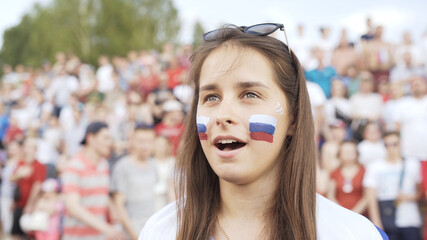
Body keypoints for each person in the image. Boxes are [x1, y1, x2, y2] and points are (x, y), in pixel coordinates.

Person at [140, 23, 386, 239]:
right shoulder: (161, 231)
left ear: (293, 118)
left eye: (249, 94)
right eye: (211, 97)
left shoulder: (354, 234)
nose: (222, 115)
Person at [61, 121, 125, 240]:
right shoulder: (74, 166)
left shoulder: (103, 164)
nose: (110, 143)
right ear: (91, 139)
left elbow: (101, 193)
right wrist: (106, 228)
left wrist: (112, 209)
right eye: (105, 138)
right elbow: (73, 207)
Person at [364, 132, 422, 240]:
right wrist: (377, 223)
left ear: (400, 144)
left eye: (394, 144)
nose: (391, 148)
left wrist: (409, 197)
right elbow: (370, 198)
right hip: (386, 218)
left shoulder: (413, 164)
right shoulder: (375, 167)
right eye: (387, 145)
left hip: (410, 219)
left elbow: (420, 191)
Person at [111, 126, 158, 240]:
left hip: (152, 227)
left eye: (149, 141)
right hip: (132, 230)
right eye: (141, 141)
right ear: (132, 141)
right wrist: (134, 235)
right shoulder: (122, 166)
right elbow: (119, 205)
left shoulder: (153, 165)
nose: (145, 146)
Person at [9, 137, 47, 239]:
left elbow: (37, 187)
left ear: (35, 149)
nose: (28, 149)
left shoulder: (39, 165)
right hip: (19, 204)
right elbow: (12, 179)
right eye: (27, 147)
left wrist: (30, 205)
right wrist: (19, 174)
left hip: (31, 206)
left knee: (30, 235)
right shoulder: (21, 163)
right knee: (15, 234)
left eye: (31, 147)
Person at [328, 141, 367, 215]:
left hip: (361, 215)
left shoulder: (364, 171)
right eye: (345, 152)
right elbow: (330, 196)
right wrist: (342, 212)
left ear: (357, 154)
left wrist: (354, 213)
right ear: (339, 154)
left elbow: (367, 196)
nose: (348, 155)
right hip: (339, 214)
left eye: (351, 152)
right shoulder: (334, 173)